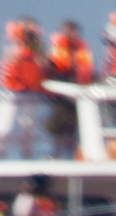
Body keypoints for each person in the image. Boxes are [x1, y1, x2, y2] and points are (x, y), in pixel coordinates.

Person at [0, 19, 46, 158]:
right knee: (2, 128)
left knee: (27, 129)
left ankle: (26, 156)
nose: (28, 35)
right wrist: (20, 42)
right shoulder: (11, 44)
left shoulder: (37, 48)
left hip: (30, 93)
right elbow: (9, 57)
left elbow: (42, 63)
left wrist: (34, 45)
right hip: (10, 93)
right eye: (25, 32)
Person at [45, 20, 93, 159]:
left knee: (74, 127)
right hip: (61, 93)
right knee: (58, 127)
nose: (70, 34)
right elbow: (50, 65)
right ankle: (55, 154)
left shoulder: (83, 49)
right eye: (67, 31)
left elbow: (87, 68)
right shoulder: (55, 48)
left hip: (77, 92)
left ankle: (72, 155)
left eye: (73, 31)